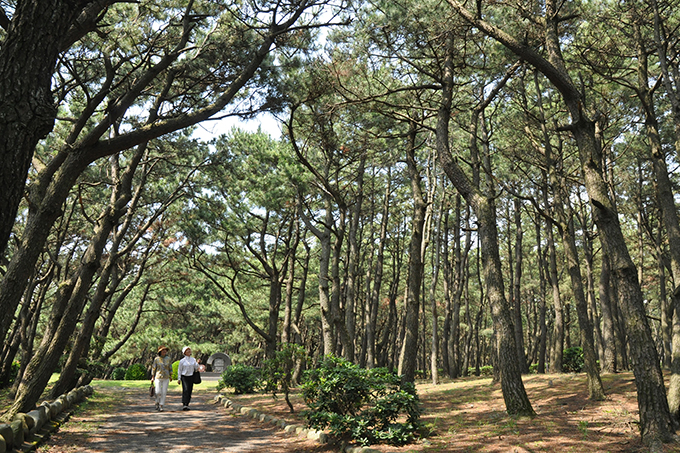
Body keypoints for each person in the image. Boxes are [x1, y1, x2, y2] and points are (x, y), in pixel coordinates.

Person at [177, 346, 200, 411]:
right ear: (184, 352)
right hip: (184, 376)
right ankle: (184, 403)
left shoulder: (193, 359)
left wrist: (197, 363)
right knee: (185, 389)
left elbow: (196, 368)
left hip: (191, 376)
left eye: (189, 350)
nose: (189, 351)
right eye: (187, 350)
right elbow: (179, 370)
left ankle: (187, 403)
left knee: (190, 390)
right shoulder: (182, 361)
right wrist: (179, 378)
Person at [151, 345, 171, 412]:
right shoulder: (156, 359)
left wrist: (171, 376)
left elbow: (170, 367)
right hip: (158, 376)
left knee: (164, 392)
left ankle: (161, 405)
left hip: (166, 377)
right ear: (160, 351)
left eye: (165, 350)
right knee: (157, 391)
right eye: (163, 350)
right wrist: (152, 377)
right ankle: (157, 402)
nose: (164, 351)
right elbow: (154, 368)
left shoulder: (168, 358)